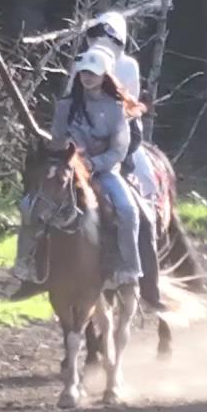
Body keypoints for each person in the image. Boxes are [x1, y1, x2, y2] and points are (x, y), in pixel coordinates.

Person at [46, 56, 151, 298]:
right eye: (83, 72)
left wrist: (93, 164)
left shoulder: (115, 108)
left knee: (128, 210)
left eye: (92, 72)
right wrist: (58, 154)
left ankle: (128, 268)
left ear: (104, 75)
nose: (87, 76)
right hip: (68, 171)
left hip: (104, 172)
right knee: (33, 204)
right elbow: (57, 139)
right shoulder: (65, 105)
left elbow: (119, 149)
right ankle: (31, 265)